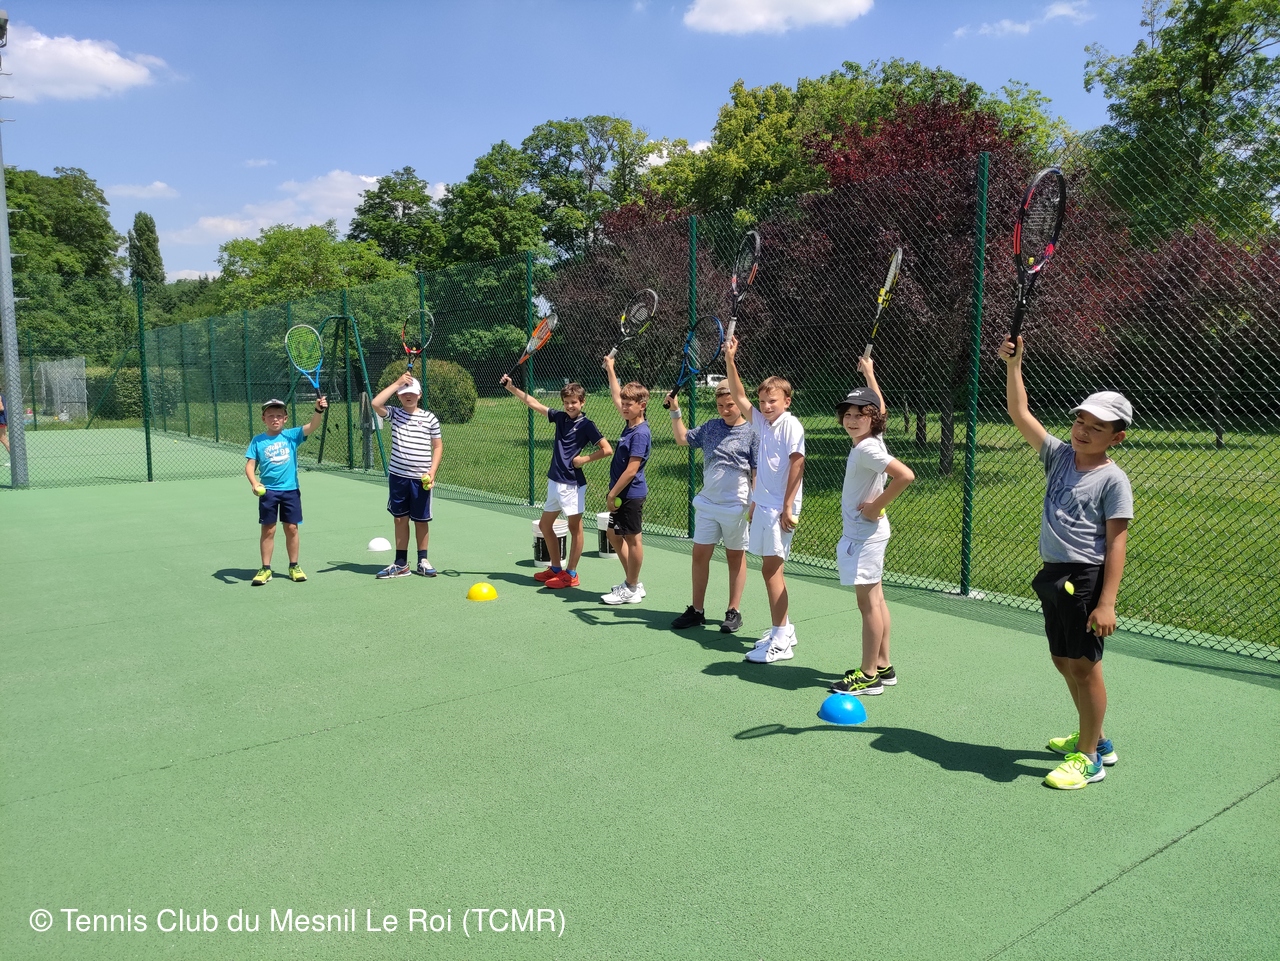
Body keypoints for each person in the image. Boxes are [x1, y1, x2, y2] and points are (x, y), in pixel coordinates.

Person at [999, 334, 1133, 790]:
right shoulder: (1059, 457)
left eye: (1097, 427)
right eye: (1080, 420)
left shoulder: (1113, 480)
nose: (1083, 430)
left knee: (1085, 666)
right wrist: (1014, 366)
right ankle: (1095, 736)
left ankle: (1090, 758)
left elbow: (1117, 544)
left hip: (1086, 578)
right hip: (1054, 575)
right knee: (1063, 660)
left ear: (1117, 437)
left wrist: (1107, 602)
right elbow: (1020, 413)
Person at [828, 356, 915, 695]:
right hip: (870, 535)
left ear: (872, 419)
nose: (852, 420)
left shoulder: (867, 449)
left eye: (859, 415)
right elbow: (881, 408)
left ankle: (868, 676)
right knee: (877, 601)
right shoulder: (873, 439)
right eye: (848, 414)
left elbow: (905, 475)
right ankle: (883, 666)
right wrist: (870, 374)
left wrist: (875, 506)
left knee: (868, 606)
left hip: (864, 536)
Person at [723, 335, 806, 662]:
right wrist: (730, 360)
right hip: (765, 506)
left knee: (772, 572)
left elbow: (797, 464)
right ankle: (784, 629)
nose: (766, 405)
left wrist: (786, 506)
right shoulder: (763, 423)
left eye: (773, 401)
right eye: (763, 401)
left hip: (780, 509)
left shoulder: (790, 425)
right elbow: (738, 395)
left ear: (786, 401)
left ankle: (781, 639)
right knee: (768, 569)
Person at [499, 374, 612, 589]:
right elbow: (534, 403)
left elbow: (607, 449)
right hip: (555, 481)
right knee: (545, 525)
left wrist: (584, 460)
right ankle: (556, 568)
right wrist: (511, 387)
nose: (569, 406)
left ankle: (571, 574)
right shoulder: (560, 418)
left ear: (582, 402)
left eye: (574, 402)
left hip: (572, 484)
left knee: (575, 528)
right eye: (566, 402)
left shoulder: (587, 425)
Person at [666, 384, 758, 633]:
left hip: (736, 506)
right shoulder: (710, 427)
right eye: (720, 406)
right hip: (707, 504)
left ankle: (733, 611)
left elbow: (756, 471)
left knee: (735, 556)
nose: (725, 410)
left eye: (730, 405)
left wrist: (755, 502)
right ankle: (697, 611)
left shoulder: (752, 431)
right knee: (699, 554)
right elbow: (682, 438)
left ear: (740, 403)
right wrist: (675, 411)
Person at [244, 396, 328, 586]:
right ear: (263, 419)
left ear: (285, 419)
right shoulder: (258, 441)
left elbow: (313, 426)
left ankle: (294, 566)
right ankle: (266, 568)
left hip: (290, 491)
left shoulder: (291, 436)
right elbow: (250, 465)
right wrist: (254, 483)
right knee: (268, 529)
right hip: (268, 492)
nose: (275, 419)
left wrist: (318, 410)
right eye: (270, 416)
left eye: (279, 416)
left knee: (291, 528)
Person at [371, 374, 443, 578]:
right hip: (398, 477)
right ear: (398, 396)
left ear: (419, 395)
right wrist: (397, 383)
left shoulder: (430, 418)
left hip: (421, 479)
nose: (408, 396)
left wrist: (432, 471)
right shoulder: (394, 414)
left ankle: (423, 561)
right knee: (400, 519)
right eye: (403, 393)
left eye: (412, 393)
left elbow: (438, 446)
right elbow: (376, 403)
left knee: (421, 520)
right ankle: (401, 564)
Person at [600, 354, 651, 605]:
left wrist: (612, 494)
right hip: (621, 494)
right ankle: (633, 581)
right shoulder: (629, 424)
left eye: (629, 404)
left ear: (642, 405)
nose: (624, 406)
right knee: (613, 534)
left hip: (630, 494)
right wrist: (611, 368)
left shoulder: (640, 433)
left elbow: (632, 470)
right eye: (623, 403)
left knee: (633, 539)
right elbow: (615, 394)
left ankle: (630, 587)